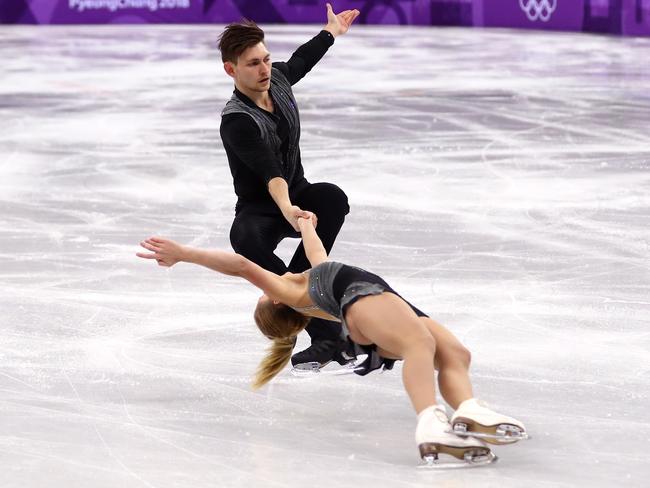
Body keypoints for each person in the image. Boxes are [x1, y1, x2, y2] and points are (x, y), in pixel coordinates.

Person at [136, 216, 528, 464]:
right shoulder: (291, 293)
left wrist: (307, 226)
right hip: (365, 301)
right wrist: (183, 253)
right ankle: (430, 423)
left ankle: (470, 409)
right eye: (262, 294)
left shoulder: (311, 281)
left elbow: (319, 257)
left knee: (455, 353)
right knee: (419, 347)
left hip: (380, 300)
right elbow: (240, 265)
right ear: (273, 300)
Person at [217, 5, 359, 369]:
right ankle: (324, 332)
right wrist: (288, 210)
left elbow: (300, 61)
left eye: (265, 59)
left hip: (300, 192)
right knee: (245, 240)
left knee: (331, 198)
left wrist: (330, 33)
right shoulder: (237, 121)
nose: (264, 69)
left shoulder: (277, 78)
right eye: (252, 64)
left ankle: (301, 296)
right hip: (262, 208)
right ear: (230, 69)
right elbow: (270, 172)